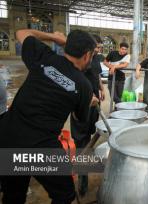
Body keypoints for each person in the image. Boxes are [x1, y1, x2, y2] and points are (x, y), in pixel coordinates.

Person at [0, 29, 98, 204]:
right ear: (87, 55)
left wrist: (56, 38)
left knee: (13, 195)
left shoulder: (45, 57)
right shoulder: (83, 85)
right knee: (64, 194)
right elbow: (78, 118)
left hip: (7, 136)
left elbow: (21, 32)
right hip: (40, 146)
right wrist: (88, 101)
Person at [70, 34, 105, 196]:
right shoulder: (78, 60)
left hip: (94, 102)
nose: (98, 50)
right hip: (81, 105)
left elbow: (96, 74)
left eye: (99, 47)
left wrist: (101, 88)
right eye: (96, 47)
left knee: (91, 133)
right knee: (81, 140)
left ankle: (86, 154)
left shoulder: (96, 58)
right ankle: (82, 179)